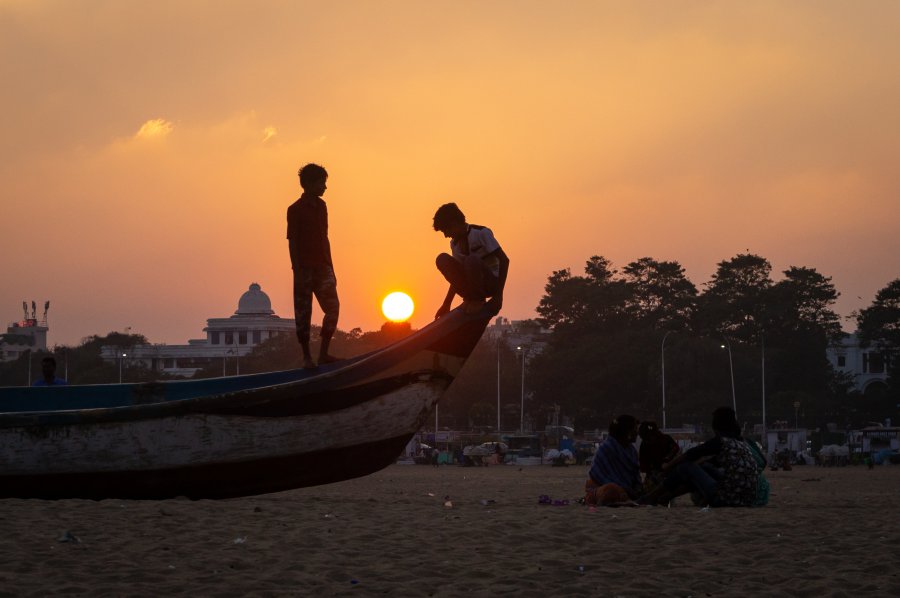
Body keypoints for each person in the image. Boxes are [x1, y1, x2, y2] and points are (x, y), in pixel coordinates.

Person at [649, 407, 760, 508]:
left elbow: (688, 455)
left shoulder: (721, 441)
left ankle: (650, 497)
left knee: (686, 467)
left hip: (727, 499)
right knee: (703, 468)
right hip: (747, 499)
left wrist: (664, 471)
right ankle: (664, 498)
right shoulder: (740, 443)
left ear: (715, 426)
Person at [287, 163, 340, 369]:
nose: (324, 187)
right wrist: (297, 270)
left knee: (333, 308)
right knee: (303, 313)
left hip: (322, 266)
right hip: (303, 269)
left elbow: (324, 238)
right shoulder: (295, 210)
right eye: (321, 183)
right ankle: (307, 357)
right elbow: (292, 241)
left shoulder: (322, 207)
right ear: (308, 184)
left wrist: (331, 268)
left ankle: (324, 353)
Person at [432, 203, 509, 318]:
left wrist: (498, 296)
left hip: (491, 283)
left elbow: (504, 260)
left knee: (471, 259)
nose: (446, 235)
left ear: (454, 224)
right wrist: (446, 303)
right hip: (471, 288)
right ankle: (470, 299)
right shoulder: (454, 244)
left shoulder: (481, 233)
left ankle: (477, 301)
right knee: (442, 259)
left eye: (445, 231)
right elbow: (456, 276)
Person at [584, 415, 643, 506]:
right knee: (611, 490)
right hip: (604, 489)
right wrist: (625, 489)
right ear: (627, 432)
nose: (637, 433)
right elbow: (601, 477)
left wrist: (638, 489)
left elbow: (636, 476)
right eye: (634, 429)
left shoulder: (631, 451)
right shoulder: (607, 448)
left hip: (628, 491)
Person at [637, 421, 680, 492]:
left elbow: (675, 448)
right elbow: (643, 463)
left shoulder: (665, 439)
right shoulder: (644, 444)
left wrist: (667, 459)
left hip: (666, 471)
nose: (648, 440)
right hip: (653, 473)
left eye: (649, 437)